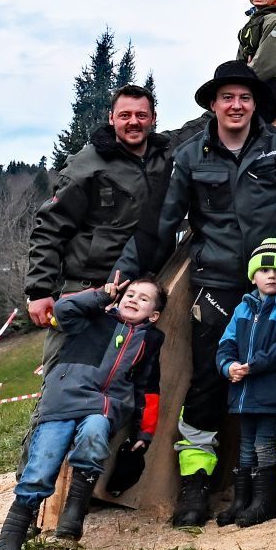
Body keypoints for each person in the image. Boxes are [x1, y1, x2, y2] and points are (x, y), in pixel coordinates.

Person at [111, 60, 276, 528]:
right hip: (217, 282)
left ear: (255, 105)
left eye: (245, 97)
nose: (236, 105)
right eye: (227, 97)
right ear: (212, 103)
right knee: (208, 380)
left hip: (272, 286)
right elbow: (161, 222)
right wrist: (128, 270)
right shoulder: (189, 155)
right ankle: (196, 483)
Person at [0, 279, 165, 550]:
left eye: (144, 299)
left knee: (95, 435)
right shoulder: (93, 318)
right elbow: (63, 308)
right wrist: (101, 296)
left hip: (103, 406)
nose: (134, 299)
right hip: (62, 402)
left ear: (154, 315)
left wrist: (143, 433)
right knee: (42, 465)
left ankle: (74, 513)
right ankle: (8, 541)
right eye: (130, 294)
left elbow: (148, 389)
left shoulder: (149, 340)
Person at [26, 84, 170, 368]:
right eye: (125, 115)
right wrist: (39, 290)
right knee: (64, 377)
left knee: (125, 383)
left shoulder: (164, 153)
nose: (133, 122)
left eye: (141, 115)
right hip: (87, 288)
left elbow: (203, 125)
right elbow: (50, 226)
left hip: (140, 294)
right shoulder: (86, 165)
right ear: (111, 117)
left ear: (153, 118)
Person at [214, 239, 276, 528]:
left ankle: (265, 502)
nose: (271, 275)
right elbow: (226, 344)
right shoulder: (242, 310)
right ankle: (242, 501)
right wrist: (228, 366)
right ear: (253, 275)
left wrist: (254, 365)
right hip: (245, 392)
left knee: (264, 442)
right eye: (264, 270)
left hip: (275, 392)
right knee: (246, 444)